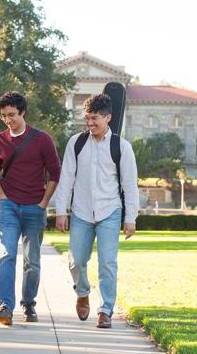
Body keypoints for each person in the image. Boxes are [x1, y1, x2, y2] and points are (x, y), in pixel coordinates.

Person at [55, 94, 139, 329]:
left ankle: (105, 310)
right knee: (76, 261)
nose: (90, 124)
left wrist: (130, 217)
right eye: (87, 119)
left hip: (109, 211)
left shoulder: (121, 147)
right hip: (81, 211)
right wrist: (61, 210)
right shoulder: (76, 143)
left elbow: (130, 184)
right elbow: (67, 178)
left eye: (95, 119)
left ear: (108, 118)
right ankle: (82, 292)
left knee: (108, 263)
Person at [0, 91, 61, 326]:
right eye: (3, 116)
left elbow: (55, 173)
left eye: (11, 115)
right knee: (7, 255)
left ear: (23, 112)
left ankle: (28, 303)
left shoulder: (42, 139)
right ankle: (5, 306)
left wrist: (43, 203)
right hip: (9, 207)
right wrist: (2, 197)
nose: (8, 120)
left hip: (34, 208)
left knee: (32, 260)